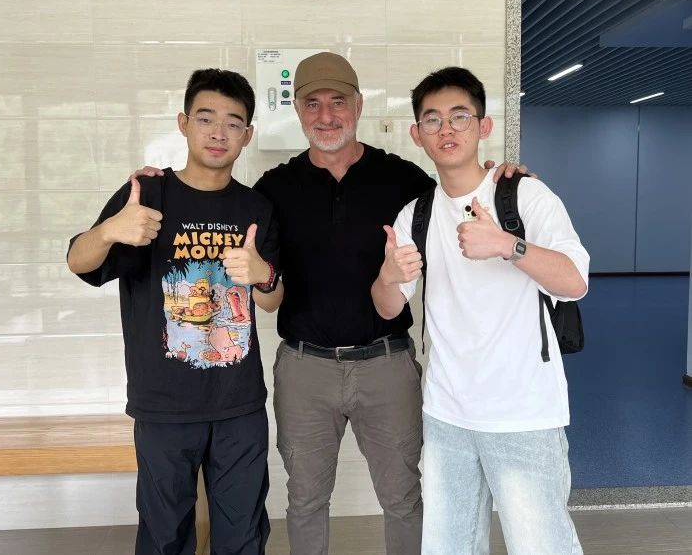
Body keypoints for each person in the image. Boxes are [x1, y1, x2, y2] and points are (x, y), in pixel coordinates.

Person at [129, 52, 529, 555]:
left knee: (404, 498)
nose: (326, 115)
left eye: (338, 102)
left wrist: (496, 176)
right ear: (297, 111)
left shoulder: (403, 180)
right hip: (305, 368)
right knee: (305, 501)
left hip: (386, 365)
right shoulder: (272, 191)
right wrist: (159, 186)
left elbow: (459, 201)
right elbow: (264, 289)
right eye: (312, 104)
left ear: (358, 106)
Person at [371, 66, 588, 554]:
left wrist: (508, 245)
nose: (446, 129)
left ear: (483, 126)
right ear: (417, 135)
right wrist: (387, 275)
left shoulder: (524, 194)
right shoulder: (415, 214)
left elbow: (576, 281)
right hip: (447, 413)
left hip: (524, 414)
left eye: (460, 116)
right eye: (432, 120)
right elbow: (388, 308)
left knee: (542, 547)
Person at [67, 68, 282, 555]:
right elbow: (78, 262)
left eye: (233, 123)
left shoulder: (256, 207)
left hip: (239, 404)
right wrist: (110, 231)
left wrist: (262, 273)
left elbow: (272, 300)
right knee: (165, 536)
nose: (218, 132)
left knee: (244, 534)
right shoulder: (148, 194)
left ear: (247, 135)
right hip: (163, 403)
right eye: (206, 118)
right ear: (184, 124)